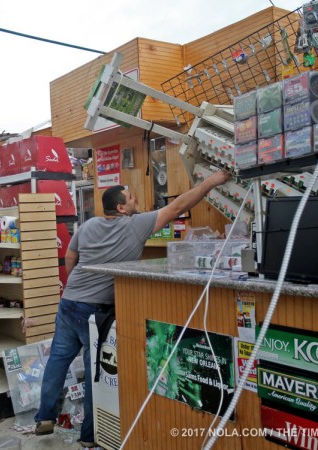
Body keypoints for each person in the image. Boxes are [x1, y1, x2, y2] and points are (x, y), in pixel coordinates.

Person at [34, 170, 231, 447]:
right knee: (96, 371)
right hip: (95, 311)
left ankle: (44, 418)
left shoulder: (88, 225)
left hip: (69, 302)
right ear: (121, 208)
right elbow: (178, 206)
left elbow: (70, 257)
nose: (135, 198)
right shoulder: (134, 225)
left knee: (57, 360)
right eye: (130, 197)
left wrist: (77, 288)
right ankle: (90, 437)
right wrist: (211, 182)